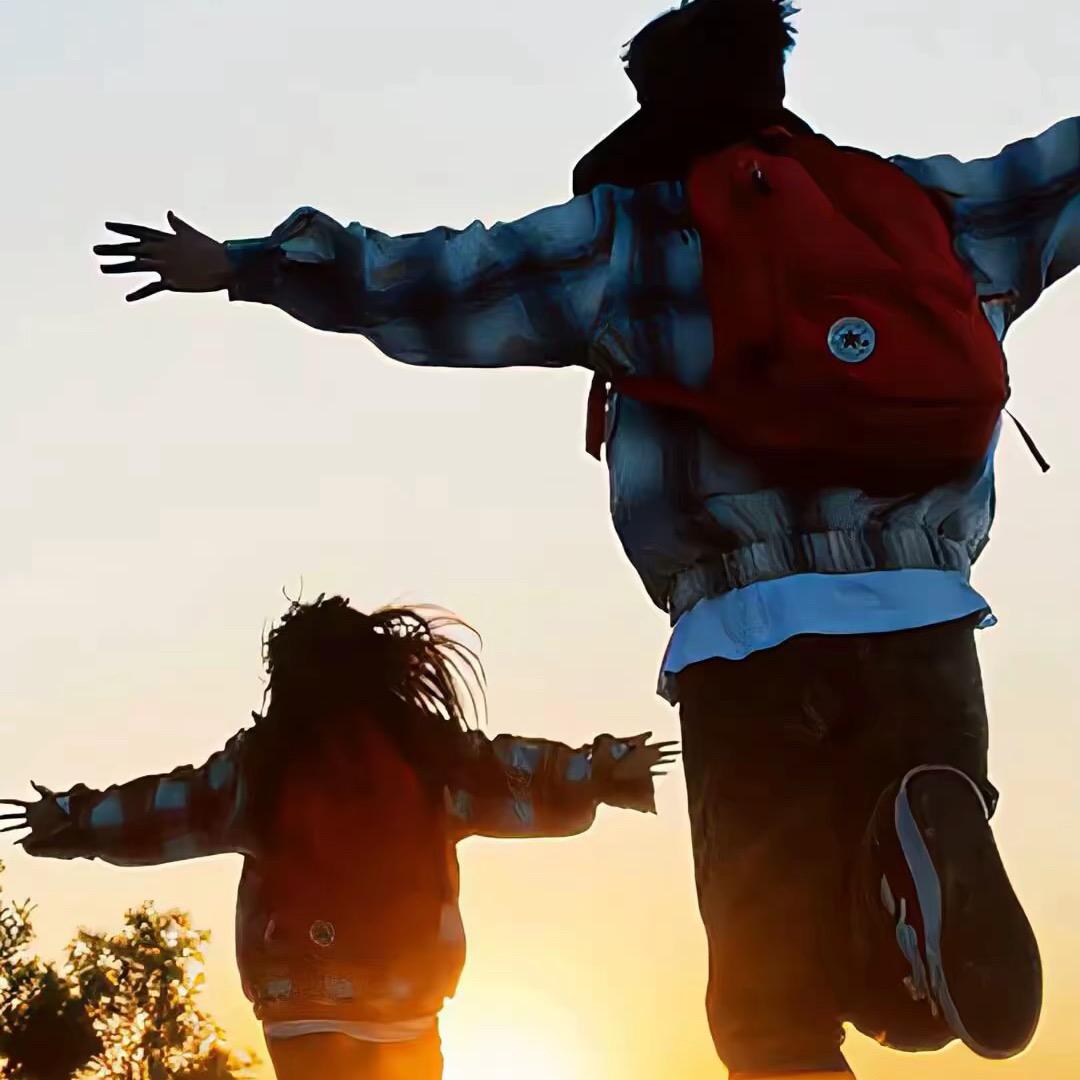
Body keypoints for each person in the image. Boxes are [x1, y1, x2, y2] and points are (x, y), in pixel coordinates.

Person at [90, 1, 1080, 1074]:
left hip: (745, 637)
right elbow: (1061, 172)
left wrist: (252, 266)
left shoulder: (634, 234)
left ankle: (900, 849)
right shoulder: (929, 209)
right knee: (912, 995)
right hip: (927, 612)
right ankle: (906, 826)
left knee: (769, 1008)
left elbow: (443, 279)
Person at [2, 597, 674, 1080]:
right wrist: (599, 769)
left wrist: (70, 817)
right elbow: (515, 770)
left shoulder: (262, 766)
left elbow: (162, 811)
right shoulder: (425, 757)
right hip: (408, 1013)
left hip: (302, 1011)